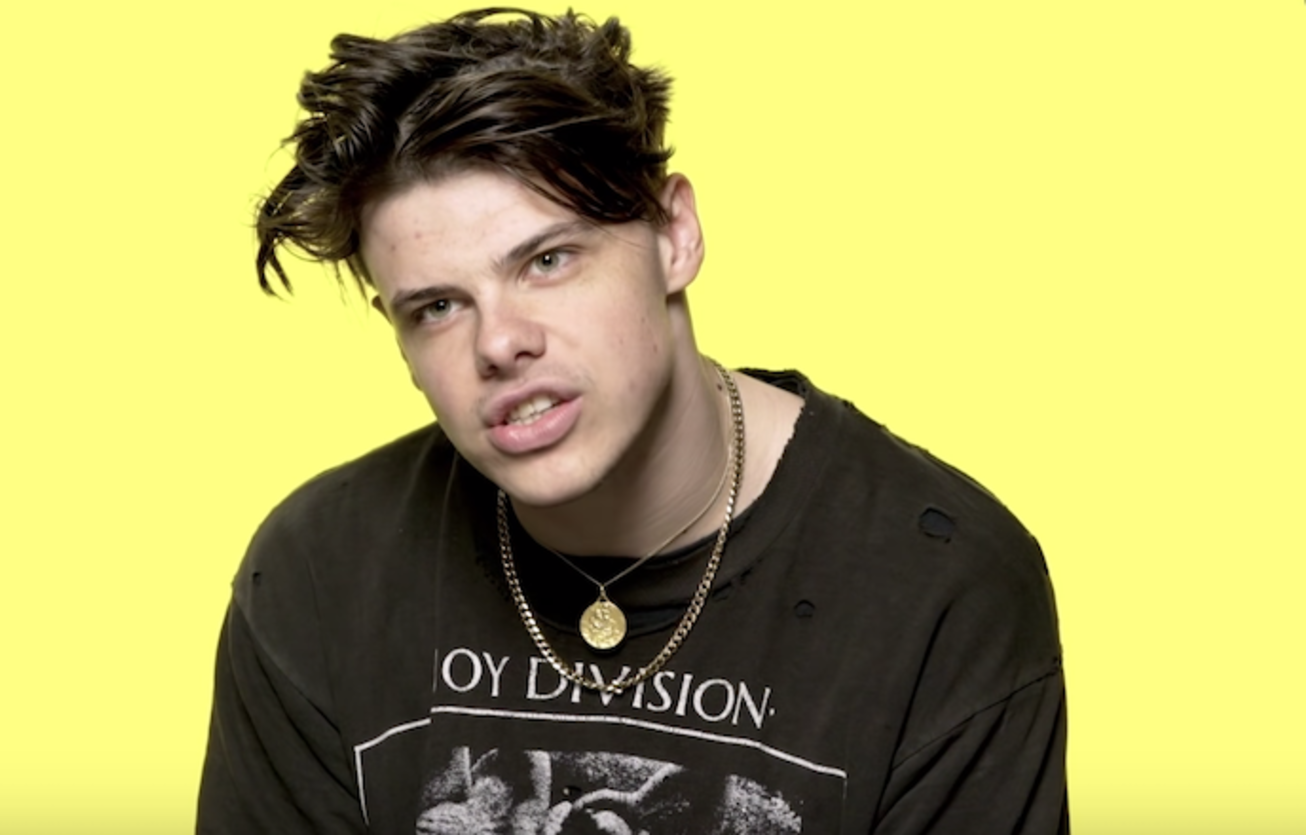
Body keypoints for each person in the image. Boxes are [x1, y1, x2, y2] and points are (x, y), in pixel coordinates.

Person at [197, 8, 1068, 834]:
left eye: (548, 260)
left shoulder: (938, 586)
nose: (498, 343)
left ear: (673, 233)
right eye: (437, 307)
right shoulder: (320, 574)